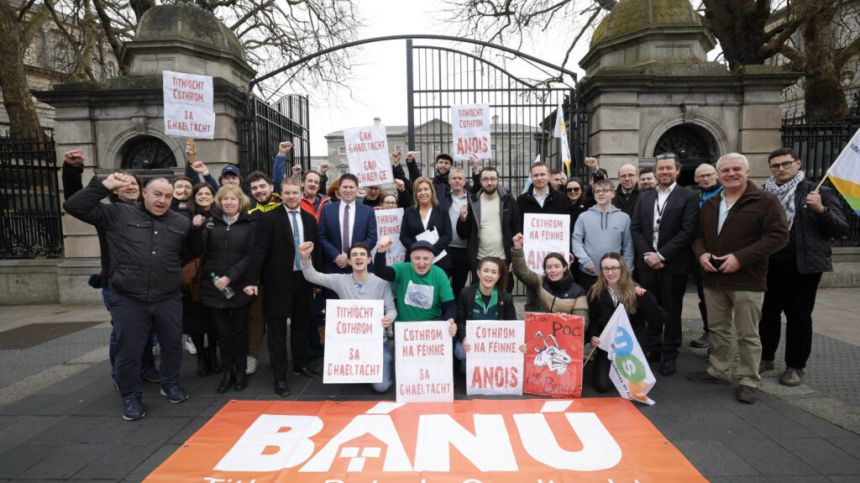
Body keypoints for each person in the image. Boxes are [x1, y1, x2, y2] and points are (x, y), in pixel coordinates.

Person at [64, 174, 192, 421]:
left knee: (172, 345)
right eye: (157, 194)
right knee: (129, 351)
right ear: (144, 193)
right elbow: (74, 206)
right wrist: (102, 186)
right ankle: (130, 396)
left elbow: (186, 253)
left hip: (167, 297)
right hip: (128, 298)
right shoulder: (116, 214)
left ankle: (170, 384)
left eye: (168, 196)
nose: (162, 200)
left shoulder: (180, 222)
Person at [689, 153, 789, 404]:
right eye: (725, 170)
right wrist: (701, 255)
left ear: (747, 171)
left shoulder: (765, 200)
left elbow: (778, 236)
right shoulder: (712, 203)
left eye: (736, 169)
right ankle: (718, 370)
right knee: (718, 329)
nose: (731, 174)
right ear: (718, 175)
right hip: (714, 278)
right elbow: (698, 236)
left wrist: (740, 258)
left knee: (748, 333)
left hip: (748, 278)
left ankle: (748, 379)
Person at [61, 151, 161, 389]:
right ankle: (121, 374)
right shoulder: (104, 214)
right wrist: (72, 171)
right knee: (123, 333)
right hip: (116, 286)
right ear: (114, 190)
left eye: (134, 183)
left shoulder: (152, 212)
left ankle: (146, 367)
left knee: (146, 332)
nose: (129, 186)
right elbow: (76, 202)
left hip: (148, 286)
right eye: (123, 183)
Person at [759, 148, 848, 386]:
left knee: (798, 317)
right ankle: (766, 357)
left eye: (785, 164)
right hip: (769, 265)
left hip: (803, 267)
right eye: (775, 165)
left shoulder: (818, 191)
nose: (780, 168)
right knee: (767, 314)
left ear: (797, 164)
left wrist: (821, 210)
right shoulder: (764, 193)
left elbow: (841, 228)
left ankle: (795, 366)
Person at [247, 177, 322, 396]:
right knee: (277, 330)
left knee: (302, 324)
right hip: (277, 282)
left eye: (295, 192)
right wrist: (252, 280)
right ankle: (279, 376)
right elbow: (258, 250)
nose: (291, 196)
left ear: (301, 193)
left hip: (304, 280)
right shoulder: (268, 218)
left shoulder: (309, 219)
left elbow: (316, 251)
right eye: (287, 193)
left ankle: (300, 364)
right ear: (280, 193)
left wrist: (317, 279)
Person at [630, 153, 699, 376]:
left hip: (673, 265)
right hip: (647, 264)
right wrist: (648, 255)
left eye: (669, 168)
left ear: (677, 171)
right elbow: (636, 228)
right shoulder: (645, 197)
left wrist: (662, 255)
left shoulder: (687, 196)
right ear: (656, 171)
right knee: (649, 308)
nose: (664, 172)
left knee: (671, 311)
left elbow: (688, 231)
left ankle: (670, 354)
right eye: (661, 169)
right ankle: (654, 349)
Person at [299, 241, 398, 393]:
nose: (359, 258)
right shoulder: (340, 280)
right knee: (345, 377)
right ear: (350, 261)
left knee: (381, 387)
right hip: (350, 342)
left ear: (369, 259)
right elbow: (312, 276)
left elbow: (392, 310)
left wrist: (389, 319)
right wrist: (305, 259)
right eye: (355, 255)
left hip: (375, 342)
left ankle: (384, 361)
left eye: (362, 255)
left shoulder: (381, 283)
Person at [189, 185, 257, 393]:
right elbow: (198, 251)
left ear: (240, 201)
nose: (228, 202)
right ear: (219, 202)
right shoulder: (210, 224)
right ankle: (227, 373)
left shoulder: (250, 224)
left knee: (240, 332)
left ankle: (240, 371)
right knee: (223, 334)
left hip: (238, 287)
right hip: (213, 287)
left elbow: (251, 255)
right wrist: (196, 229)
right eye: (224, 199)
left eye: (233, 199)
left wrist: (230, 277)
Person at [587, 253, 665, 393]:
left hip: (631, 346)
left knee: (638, 385)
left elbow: (658, 318)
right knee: (602, 386)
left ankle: (624, 370)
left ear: (622, 268)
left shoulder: (635, 289)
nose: (610, 272)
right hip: (608, 346)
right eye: (606, 269)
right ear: (601, 270)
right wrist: (592, 336)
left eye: (614, 268)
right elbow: (592, 320)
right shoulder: (595, 292)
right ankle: (612, 368)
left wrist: (646, 298)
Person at [517, 161, 570, 310]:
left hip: (557, 256)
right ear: (531, 177)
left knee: (557, 297)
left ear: (548, 176)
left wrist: (568, 250)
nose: (539, 178)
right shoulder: (522, 200)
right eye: (536, 175)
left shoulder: (561, 198)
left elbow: (566, 228)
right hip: (533, 257)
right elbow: (518, 226)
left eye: (542, 174)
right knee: (534, 294)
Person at [181, 183, 221, 378]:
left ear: (213, 197)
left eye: (208, 193)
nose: (204, 196)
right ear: (194, 197)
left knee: (213, 320)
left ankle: (213, 355)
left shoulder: (220, 215)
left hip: (214, 274)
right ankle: (201, 358)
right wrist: (195, 228)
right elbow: (185, 247)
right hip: (194, 277)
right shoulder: (185, 217)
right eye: (200, 193)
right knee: (196, 322)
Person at [374, 238, 457, 328]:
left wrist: (450, 320)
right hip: (404, 330)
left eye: (426, 258)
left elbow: (449, 306)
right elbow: (380, 271)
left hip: (430, 330)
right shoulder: (403, 269)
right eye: (417, 258)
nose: (421, 263)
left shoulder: (439, 274)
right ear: (411, 259)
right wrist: (381, 252)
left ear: (432, 260)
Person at [457, 166, 521, 283]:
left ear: (498, 180)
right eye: (485, 179)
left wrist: (514, 259)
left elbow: (517, 227)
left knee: (504, 295)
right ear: (480, 181)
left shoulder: (508, 201)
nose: (489, 182)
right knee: (479, 296)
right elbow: (463, 233)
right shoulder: (473, 202)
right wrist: (462, 219)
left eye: (492, 179)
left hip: (503, 259)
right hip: (480, 259)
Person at [454, 256, 518, 372]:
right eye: (486, 271)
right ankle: (465, 373)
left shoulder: (505, 297)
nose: (489, 275)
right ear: (478, 273)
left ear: (498, 276)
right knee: (461, 352)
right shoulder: (466, 293)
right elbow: (459, 320)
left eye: (494, 272)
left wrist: (518, 343)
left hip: (495, 343)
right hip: (471, 341)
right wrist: (464, 338)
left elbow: (513, 323)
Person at [572, 178, 634, 290]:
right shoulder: (583, 217)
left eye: (605, 190)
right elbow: (576, 241)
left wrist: (627, 270)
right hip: (589, 272)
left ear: (613, 194)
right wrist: (585, 261)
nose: (600, 193)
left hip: (615, 274)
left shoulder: (624, 218)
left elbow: (628, 246)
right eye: (597, 191)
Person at [511, 233, 588, 318]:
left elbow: (582, 322)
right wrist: (517, 248)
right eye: (549, 267)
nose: (553, 270)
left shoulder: (578, 292)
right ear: (545, 270)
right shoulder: (538, 283)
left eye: (557, 266)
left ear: (565, 267)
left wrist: (567, 320)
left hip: (563, 330)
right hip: (538, 329)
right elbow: (522, 272)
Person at [690, 163, 724, 349]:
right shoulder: (694, 196)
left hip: (723, 253)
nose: (705, 178)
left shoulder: (726, 193)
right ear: (695, 179)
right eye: (701, 176)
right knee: (705, 295)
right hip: (698, 253)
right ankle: (709, 331)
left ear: (716, 175)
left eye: (708, 175)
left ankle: (720, 338)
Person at [318, 174, 378, 273]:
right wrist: (335, 256)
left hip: (360, 267)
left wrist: (351, 256)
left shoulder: (368, 211)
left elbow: (372, 238)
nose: (348, 190)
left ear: (356, 189)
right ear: (339, 190)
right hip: (333, 266)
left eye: (351, 187)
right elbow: (321, 236)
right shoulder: (327, 210)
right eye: (345, 187)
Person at [399, 176, 453, 273]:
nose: (423, 193)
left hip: (439, 261)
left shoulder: (442, 211)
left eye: (426, 189)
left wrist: (432, 251)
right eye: (419, 190)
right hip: (415, 262)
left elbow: (447, 235)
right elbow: (403, 236)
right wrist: (418, 251)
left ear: (432, 191)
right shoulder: (409, 212)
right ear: (415, 194)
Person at [446, 168, 472, 294]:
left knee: (459, 285)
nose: (457, 181)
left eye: (460, 178)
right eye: (454, 178)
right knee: (443, 284)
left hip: (464, 249)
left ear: (464, 181)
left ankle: (457, 312)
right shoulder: (443, 197)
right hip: (446, 248)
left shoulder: (472, 198)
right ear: (449, 181)